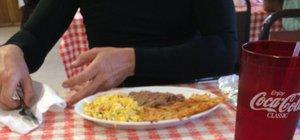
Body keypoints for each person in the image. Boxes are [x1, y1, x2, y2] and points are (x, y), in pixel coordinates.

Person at [0, 0, 237, 110]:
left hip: (190, 102)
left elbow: (224, 50)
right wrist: (13, 50)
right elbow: (36, 35)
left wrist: (133, 61)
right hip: (110, 106)